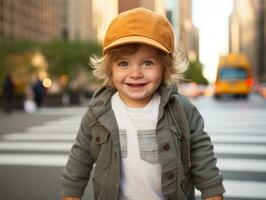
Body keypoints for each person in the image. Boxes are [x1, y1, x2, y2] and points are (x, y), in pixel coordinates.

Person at [61, 7, 225, 200]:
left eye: (147, 63)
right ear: (110, 70)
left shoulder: (180, 108)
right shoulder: (99, 111)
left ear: (165, 68)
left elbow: (201, 152)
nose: (136, 73)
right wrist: (71, 193)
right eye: (123, 64)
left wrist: (212, 191)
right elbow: (80, 156)